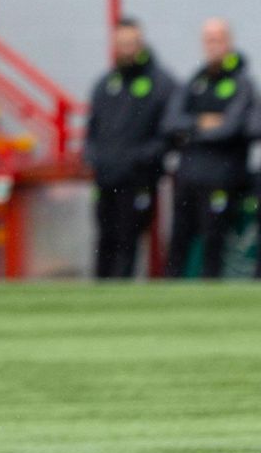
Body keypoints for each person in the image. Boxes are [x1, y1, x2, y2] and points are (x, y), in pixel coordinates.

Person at [161, 17, 256, 279]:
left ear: (228, 42)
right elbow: (170, 123)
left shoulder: (241, 83)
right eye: (208, 40)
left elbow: (230, 128)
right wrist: (202, 122)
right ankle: (168, 298)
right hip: (187, 175)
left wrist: (191, 130)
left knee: (213, 241)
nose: (213, 45)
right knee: (178, 239)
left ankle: (209, 296)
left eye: (218, 39)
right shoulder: (195, 81)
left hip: (221, 177)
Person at [85, 18, 175, 279]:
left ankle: (121, 297)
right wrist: (93, 157)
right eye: (121, 43)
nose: (126, 49)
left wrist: (141, 158)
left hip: (138, 179)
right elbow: (93, 128)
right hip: (106, 178)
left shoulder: (160, 84)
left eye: (131, 43)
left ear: (140, 43)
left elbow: (168, 134)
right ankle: (99, 297)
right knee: (105, 238)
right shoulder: (106, 84)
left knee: (128, 239)